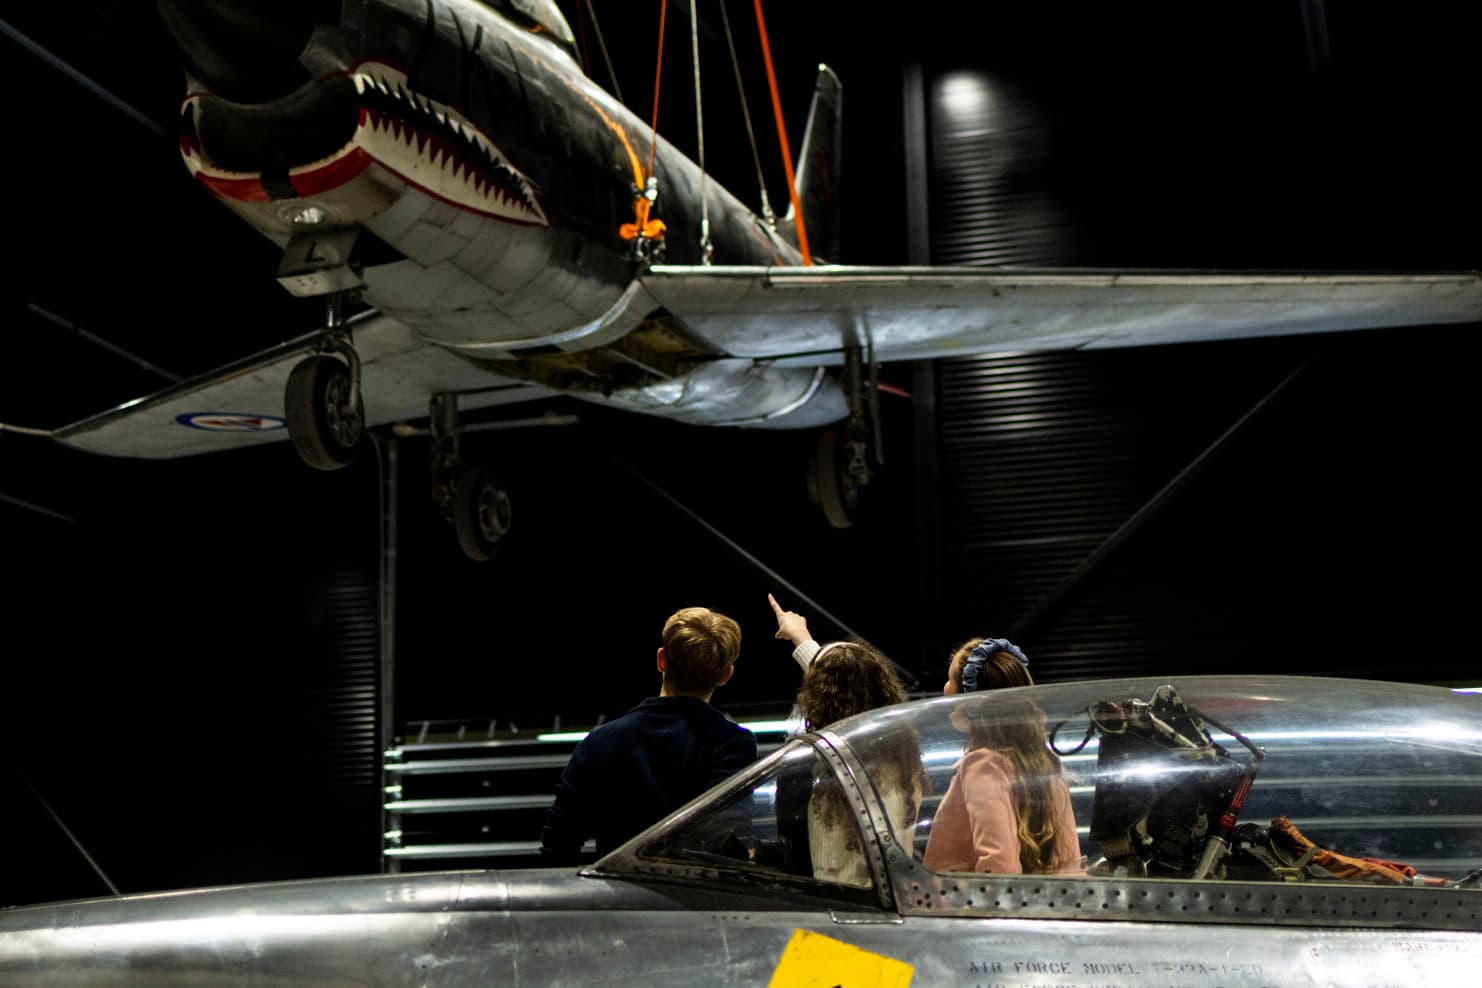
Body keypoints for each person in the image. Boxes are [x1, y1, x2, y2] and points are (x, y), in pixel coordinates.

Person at [539, 606, 758, 864]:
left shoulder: (601, 741)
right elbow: (727, 838)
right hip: (695, 898)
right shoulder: (733, 744)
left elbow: (559, 841)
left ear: (661, 659)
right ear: (726, 675)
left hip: (618, 898)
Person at [768, 594, 930, 886]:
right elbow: (847, 680)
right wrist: (800, 637)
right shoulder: (902, 758)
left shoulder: (834, 770)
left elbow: (837, 684)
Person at [922, 637, 1086, 875]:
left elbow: (1000, 865)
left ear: (972, 701)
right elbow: (1068, 864)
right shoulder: (1045, 763)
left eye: (951, 680)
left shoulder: (982, 763)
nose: (946, 688)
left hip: (965, 906)